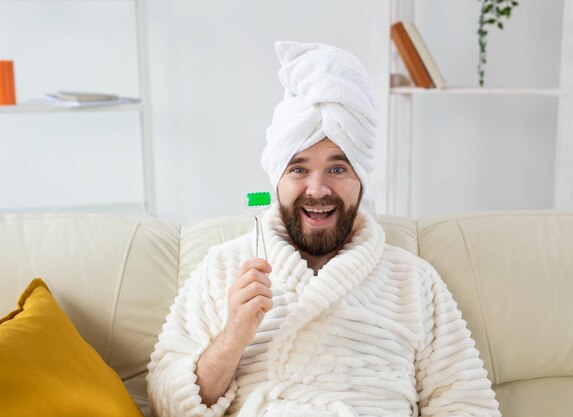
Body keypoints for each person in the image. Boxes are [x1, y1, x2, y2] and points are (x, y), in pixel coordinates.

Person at [147, 41, 501, 417]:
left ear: (361, 180)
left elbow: (466, 404)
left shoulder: (412, 280)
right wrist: (233, 335)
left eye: (337, 168)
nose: (317, 189)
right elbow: (166, 404)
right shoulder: (224, 268)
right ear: (276, 181)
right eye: (299, 169)